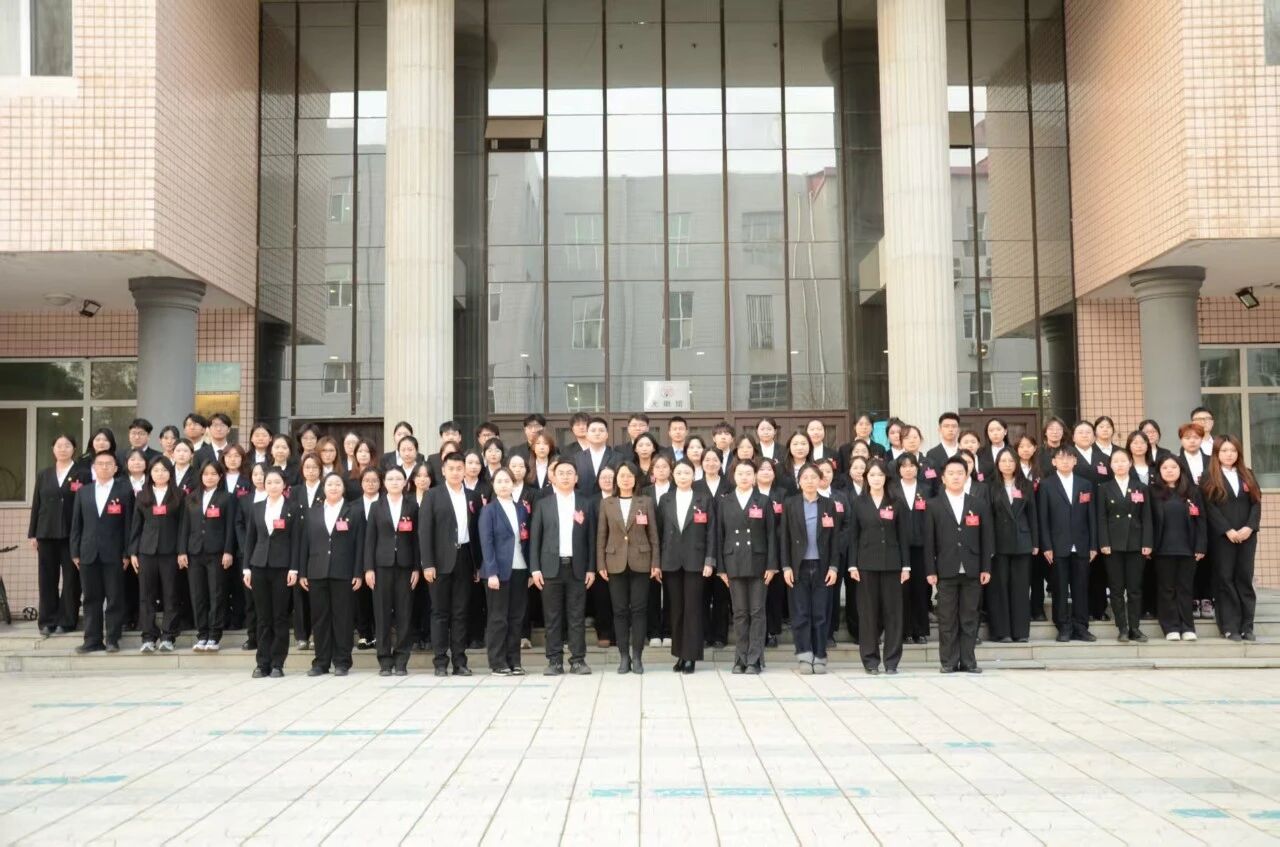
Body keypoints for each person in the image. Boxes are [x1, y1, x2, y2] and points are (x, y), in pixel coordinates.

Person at [924, 457, 994, 674]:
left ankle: (969, 661)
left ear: (967, 476)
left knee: (969, 618)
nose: (956, 477)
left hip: (972, 569)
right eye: (951, 473)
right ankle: (948, 661)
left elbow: (987, 539)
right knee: (947, 619)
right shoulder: (933, 505)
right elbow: (929, 541)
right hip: (945, 569)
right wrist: (930, 570)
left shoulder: (978, 504)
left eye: (960, 473)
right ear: (943, 478)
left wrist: (986, 568)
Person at [530, 459, 596, 675]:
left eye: (570, 473)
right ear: (553, 478)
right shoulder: (543, 504)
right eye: (561, 473)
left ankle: (578, 660)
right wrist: (535, 569)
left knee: (577, 617)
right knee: (552, 617)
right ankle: (554, 661)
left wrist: (591, 568)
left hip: (577, 568)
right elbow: (535, 539)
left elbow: (591, 538)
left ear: (576, 478)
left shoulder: (585, 503)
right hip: (550, 569)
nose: (565, 476)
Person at [419, 453, 483, 676]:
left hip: (465, 559)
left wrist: (477, 564)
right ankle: (439, 662)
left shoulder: (473, 496)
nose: (456, 472)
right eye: (451, 468)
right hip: (439, 562)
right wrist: (428, 564)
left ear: (464, 471)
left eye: (459, 468)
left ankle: (459, 662)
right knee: (439, 612)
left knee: (460, 613)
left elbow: (476, 533)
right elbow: (425, 532)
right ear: (443, 471)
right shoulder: (432, 495)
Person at [298, 472, 365, 676]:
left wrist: (358, 572)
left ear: (343, 488)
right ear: (324, 488)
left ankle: (342, 661)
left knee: (343, 618)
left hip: (343, 572)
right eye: (330, 484)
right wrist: (303, 572)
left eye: (337, 484)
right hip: (317, 571)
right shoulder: (313, 512)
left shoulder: (354, 511)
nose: (333, 487)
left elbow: (360, 544)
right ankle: (321, 662)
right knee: (320, 619)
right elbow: (304, 543)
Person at [847, 460, 910, 674]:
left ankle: (891, 661)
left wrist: (906, 566)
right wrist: (852, 565)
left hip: (892, 564)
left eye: (880, 475)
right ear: (866, 477)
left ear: (886, 478)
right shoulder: (859, 502)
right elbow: (853, 537)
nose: (876, 479)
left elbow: (903, 536)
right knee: (868, 615)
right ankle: (870, 660)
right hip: (866, 565)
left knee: (893, 614)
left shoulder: (896, 502)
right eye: (872, 475)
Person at [596, 462, 659, 674]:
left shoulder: (645, 501)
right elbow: (601, 535)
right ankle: (624, 657)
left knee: (639, 610)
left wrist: (655, 563)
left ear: (635, 479)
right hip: (614, 562)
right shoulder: (607, 503)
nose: (625, 479)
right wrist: (601, 563)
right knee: (620, 611)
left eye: (630, 475)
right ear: (616, 479)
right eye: (622, 475)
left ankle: (638, 656)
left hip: (641, 561)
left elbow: (653, 534)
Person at [713, 459, 775, 674]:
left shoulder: (764, 500)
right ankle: (740, 657)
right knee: (739, 612)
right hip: (733, 561)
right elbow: (719, 536)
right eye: (740, 473)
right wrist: (721, 568)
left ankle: (755, 659)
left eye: (749, 473)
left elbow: (771, 535)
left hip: (758, 561)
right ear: (733, 476)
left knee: (757, 611)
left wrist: (772, 566)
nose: (745, 477)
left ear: (755, 476)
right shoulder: (725, 501)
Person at [69, 450, 133, 654]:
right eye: (100, 463)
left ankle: (112, 639)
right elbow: (76, 525)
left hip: (114, 554)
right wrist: (75, 552)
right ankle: (92, 640)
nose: (104, 467)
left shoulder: (124, 491)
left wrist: (126, 553)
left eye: (108, 464)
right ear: (93, 468)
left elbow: (129, 525)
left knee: (114, 598)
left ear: (115, 468)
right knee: (90, 598)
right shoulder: (84, 492)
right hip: (88, 553)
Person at [657, 459, 717, 674]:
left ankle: (691, 656)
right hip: (671, 561)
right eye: (679, 473)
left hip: (696, 562)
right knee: (676, 610)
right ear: (673, 475)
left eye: (687, 473)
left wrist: (710, 560)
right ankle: (680, 654)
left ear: (694, 475)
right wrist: (657, 563)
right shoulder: (665, 499)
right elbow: (658, 533)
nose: (683, 476)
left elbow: (712, 532)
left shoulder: (704, 499)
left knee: (693, 609)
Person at [780, 463, 840, 675]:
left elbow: (834, 539)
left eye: (814, 477)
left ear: (820, 480)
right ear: (799, 481)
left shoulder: (829, 504)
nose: (809, 481)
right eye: (805, 477)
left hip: (822, 566)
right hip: (798, 567)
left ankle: (820, 655)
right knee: (801, 613)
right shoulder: (791, 503)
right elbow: (784, 537)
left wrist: (834, 566)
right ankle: (804, 654)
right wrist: (786, 566)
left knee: (821, 614)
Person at [1201, 437, 1261, 641]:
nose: (1229, 454)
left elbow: (1256, 503)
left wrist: (1249, 527)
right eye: (1224, 450)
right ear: (1217, 454)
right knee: (1225, 579)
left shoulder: (1248, 474)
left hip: (1247, 536)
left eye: (1233, 450)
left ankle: (1247, 626)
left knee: (1244, 578)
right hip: (1222, 537)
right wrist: (1227, 530)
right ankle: (1229, 626)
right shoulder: (1209, 476)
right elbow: (1209, 507)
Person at [1038, 445, 1099, 643]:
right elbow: (1043, 518)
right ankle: (1063, 626)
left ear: (1075, 461)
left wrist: (1093, 545)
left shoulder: (1085, 484)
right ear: (1053, 462)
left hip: (1082, 544)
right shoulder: (1046, 485)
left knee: (1081, 587)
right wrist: (1046, 546)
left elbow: (1092, 516)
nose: (1065, 461)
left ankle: (1081, 627)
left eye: (1069, 457)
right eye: (1061, 458)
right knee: (1060, 588)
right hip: (1057, 545)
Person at [243, 467, 300, 677]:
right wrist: (246, 568)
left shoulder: (293, 507)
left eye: (277, 482)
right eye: (269, 482)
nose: (273, 486)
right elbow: (250, 539)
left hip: (282, 568)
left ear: (284, 485)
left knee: (280, 617)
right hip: (259, 566)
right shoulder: (257, 507)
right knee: (263, 617)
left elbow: (296, 540)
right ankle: (262, 663)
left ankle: (277, 663)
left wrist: (294, 568)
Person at [363, 466, 419, 676]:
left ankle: (402, 659)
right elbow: (370, 540)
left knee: (404, 614)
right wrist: (368, 568)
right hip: (381, 567)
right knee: (382, 614)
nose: (395, 482)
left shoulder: (412, 506)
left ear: (405, 482)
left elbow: (416, 540)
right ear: (384, 483)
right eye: (390, 479)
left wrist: (416, 567)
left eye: (398, 479)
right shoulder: (376, 506)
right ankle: (385, 660)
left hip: (405, 567)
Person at [28, 433, 84, 636]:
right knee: (47, 578)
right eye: (59, 445)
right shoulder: (44, 474)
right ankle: (47, 620)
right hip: (46, 532)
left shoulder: (82, 473)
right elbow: (37, 504)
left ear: (74, 449)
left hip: (72, 534)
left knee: (71, 579)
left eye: (67, 445)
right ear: (53, 449)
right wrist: (33, 533)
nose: (63, 449)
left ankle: (67, 620)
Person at [1096, 447, 1153, 643]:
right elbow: (1101, 518)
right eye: (1116, 461)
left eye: (1123, 461)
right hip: (1113, 544)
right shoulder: (1104, 488)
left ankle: (1135, 627)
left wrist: (1147, 542)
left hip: (1136, 544)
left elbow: (1147, 517)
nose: (1120, 465)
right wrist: (1103, 542)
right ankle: (1122, 627)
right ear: (1110, 466)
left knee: (1135, 588)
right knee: (1116, 588)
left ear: (1130, 463)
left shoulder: (1141, 487)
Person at [177, 461, 235, 652]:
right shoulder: (191, 497)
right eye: (206, 474)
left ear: (220, 476)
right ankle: (202, 634)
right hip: (194, 552)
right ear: (200, 476)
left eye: (213, 474)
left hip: (217, 553)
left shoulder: (227, 497)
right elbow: (184, 526)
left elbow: (230, 527)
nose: (209, 477)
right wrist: (182, 551)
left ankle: (214, 635)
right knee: (197, 595)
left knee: (216, 594)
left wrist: (228, 551)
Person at [479, 468, 532, 675]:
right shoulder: (489, 510)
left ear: (513, 484)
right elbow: (486, 542)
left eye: (507, 481)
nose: (503, 485)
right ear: (493, 485)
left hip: (520, 569)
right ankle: (497, 662)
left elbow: (526, 540)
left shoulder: (521, 509)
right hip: (498, 572)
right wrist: (491, 572)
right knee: (498, 618)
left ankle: (514, 661)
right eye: (499, 481)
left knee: (516, 618)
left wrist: (530, 571)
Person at [130, 456, 185, 653]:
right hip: (146, 551)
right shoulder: (142, 495)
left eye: (164, 470)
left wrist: (181, 551)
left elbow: (183, 526)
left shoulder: (179, 495)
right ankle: (148, 636)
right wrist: (133, 552)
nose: (160, 474)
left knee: (171, 594)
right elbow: (136, 525)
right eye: (155, 470)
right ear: (150, 473)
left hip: (171, 552)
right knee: (146, 595)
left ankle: (168, 636)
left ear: (170, 473)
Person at [1150, 456, 1207, 641]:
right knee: (1166, 589)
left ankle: (1188, 626)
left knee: (1185, 589)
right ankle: (1171, 627)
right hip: (1162, 549)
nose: (1169, 470)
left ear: (1181, 470)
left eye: (1173, 467)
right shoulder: (1152, 492)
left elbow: (1201, 521)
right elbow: (1148, 521)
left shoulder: (1193, 491)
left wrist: (1201, 545)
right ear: (1159, 471)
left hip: (1188, 549)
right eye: (1165, 467)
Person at [985, 448, 1038, 644]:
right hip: (998, 544)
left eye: (1011, 461)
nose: (1007, 465)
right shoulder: (990, 486)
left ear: (1016, 463)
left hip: (1022, 542)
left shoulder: (1026, 485)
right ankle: (1002, 632)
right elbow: (988, 518)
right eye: (1003, 461)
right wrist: (988, 545)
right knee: (999, 588)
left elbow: (1033, 515)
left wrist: (1035, 542)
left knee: (1021, 588)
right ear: (997, 464)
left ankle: (1020, 631)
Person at [891, 453, 931, 645]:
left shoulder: (926, 489)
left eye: (911, 465)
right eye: (904, 466)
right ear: (898, 469)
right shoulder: (892, 490)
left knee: (921, 589)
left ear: (917, 468)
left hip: (921, 547)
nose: (908, 469)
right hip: (898, 547)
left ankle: (920, 630)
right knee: (901, 590)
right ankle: (904, 630)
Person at [755, 458, 788, 648]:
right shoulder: (750, 494)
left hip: (778, 549)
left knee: (774, 593)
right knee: (757, 594)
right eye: (761, 469)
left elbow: (787, 521)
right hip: (755, 550)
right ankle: (758, 631)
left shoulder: (781, 494)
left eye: (769, 469)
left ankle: (772, 631)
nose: (766, 472)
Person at [642, 454, 674, 647]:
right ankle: (653, 631)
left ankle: (669, 631)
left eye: (665, 466)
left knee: (671, 591)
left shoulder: (677, 489)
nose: (661, 470)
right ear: (652, 470)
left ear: (671, 469)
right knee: (651, 591)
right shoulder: (645, 492)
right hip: (649, 547)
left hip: (672, 547)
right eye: (658, 467)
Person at [237, 462, 268, 652]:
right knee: (250, 599)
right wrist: (244, 546)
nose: (259, 477)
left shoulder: (278, 499)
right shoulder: (245, 500)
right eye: (255, 474)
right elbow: (239, 524)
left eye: (262, 474)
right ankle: (252, 636)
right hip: (250, 554)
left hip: (270, 554)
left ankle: (267, 636)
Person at [354, 467, 382, 651]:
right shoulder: (353, 506)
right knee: (361, 597)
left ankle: (380, 633)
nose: (370, 484)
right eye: (367, 480)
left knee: (379, 597)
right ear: (361, 483)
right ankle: (364, 634)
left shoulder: (386, 502)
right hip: (358, 555)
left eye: (374, 480)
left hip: (381, 557)